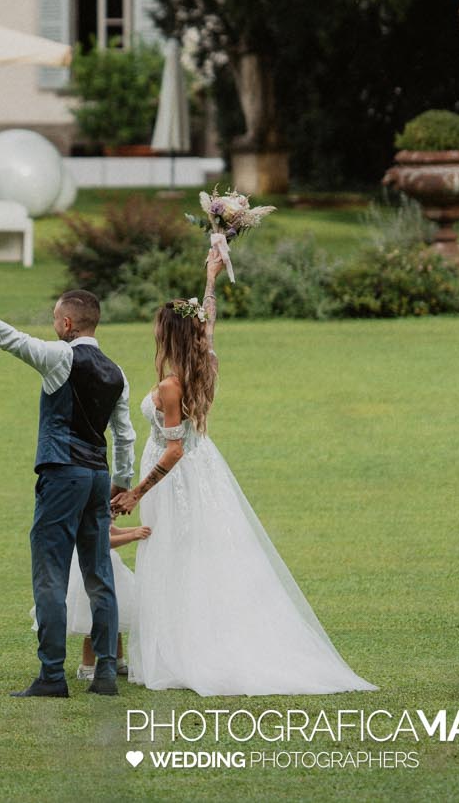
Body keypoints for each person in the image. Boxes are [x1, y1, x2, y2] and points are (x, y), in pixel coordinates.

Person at [112, 253, 377, 696]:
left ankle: (186, 648)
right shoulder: (205, 362)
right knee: (199, 552)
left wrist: (138, 491)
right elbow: (208, 320)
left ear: (170, 336)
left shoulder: (171, 385)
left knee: (176, 553)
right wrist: (210, 277)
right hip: (205, 470)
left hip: (174, 478)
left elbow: (174, 448)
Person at [0, 274, 135, 698]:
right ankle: (107, 674)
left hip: (62, 475)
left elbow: (9, 338)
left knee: (51, 574)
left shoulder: (60, 357)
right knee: (99, 575)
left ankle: (52, 677)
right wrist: (121, 482)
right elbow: (126, 434)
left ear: (67, 326)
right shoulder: (118, 373)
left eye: (56, 319)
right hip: (98, 476)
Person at [31, 523, 152, 683]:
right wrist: (133, 535)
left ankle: (117, 661)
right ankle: (86, 666)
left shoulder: (101, 510)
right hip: (92, 570)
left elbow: (114, 530)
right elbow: (103, 541)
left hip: (111, 569)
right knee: (93, 623)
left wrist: (139, 529)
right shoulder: (89, 515)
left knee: (116, 617)